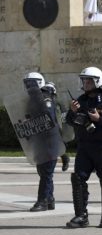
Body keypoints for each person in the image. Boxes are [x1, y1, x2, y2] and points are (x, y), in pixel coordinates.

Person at [65, 67, 102, 228]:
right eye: (84, 80)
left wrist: (99, 119)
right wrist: (72, 111)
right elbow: (70, 121)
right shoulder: (80, 100)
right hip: (84, 147)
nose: (86, 83)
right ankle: (81, 216)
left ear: (98, 81)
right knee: (78, 178)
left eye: (89, 81)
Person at [23, 73, 59, 212]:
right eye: (28, 83)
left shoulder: (45, 99)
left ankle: (42, 201)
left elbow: (47, 119)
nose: (29, 86)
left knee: (46, 173)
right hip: (40, 142)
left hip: (49, 142)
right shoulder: (32, 100)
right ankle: (49, 199)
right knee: (43, 171)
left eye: (32, 83)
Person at [41, 82, 70, 172]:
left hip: (56, 126)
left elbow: (64, 113)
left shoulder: (58, 101)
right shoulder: (43, 100)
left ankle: (64, 159)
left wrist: (65, 128)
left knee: (57, 146)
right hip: (45, 127)